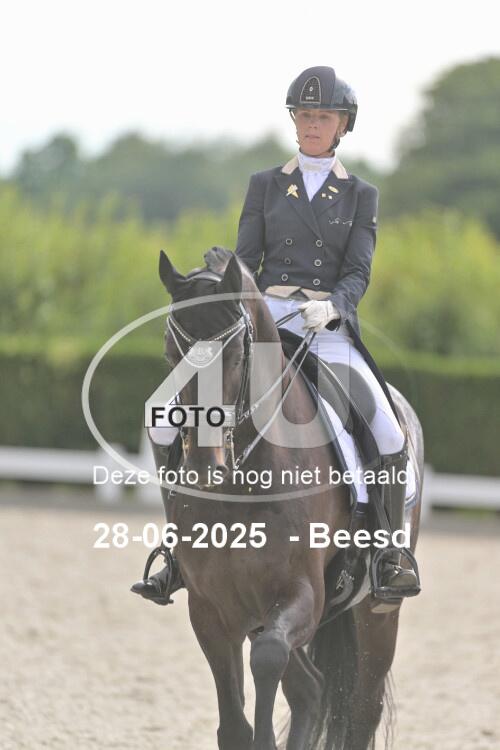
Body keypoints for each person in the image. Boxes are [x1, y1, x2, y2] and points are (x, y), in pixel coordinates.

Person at [132, 65, 420, 606]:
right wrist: (234, 294)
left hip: (325, 327)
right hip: (262, 323)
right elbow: (246, 260)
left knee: (387, 430)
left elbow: (358, 270)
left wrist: (334, 306)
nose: (312, 125)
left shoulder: (361, 194)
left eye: (323, 117)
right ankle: (177, 547)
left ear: (342, 125)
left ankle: (387, 551)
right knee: (165, 416)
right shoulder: (265, 184)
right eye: (304, 115)